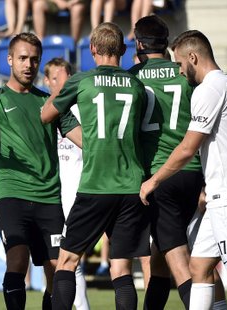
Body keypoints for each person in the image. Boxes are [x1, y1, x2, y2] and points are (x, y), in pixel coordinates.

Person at [139, 30, 227, 310]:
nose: (179, 71)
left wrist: (153, 181)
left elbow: (187, 149)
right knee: (199, 266)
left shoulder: (209, 89)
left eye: (180, 64)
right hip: (226, 192)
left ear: (193, 57)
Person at [0, 33, 82, 310]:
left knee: (58, 269)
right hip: (12, 194)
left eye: (34, 59)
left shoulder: (49, 102)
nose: (29, 65)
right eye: (23, 58)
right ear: (9, 59)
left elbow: (81, 137)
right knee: (17, 259)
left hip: (49, 198)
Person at [42, 22, 150, 310]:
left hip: (96, 184)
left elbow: (47, 115)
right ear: (123, 50)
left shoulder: (82, 81)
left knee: (67, 261)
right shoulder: (137, 86)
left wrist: (60, 99)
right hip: (131, 185)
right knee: (122, 269)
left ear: (92, 49)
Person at [127, 15, 201, 309]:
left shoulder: (131, 77)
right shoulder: (185, 73)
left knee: (179, 262)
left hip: (159, 175)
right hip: (192, 171)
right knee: (158, 260)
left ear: (138, 43)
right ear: (167, 43)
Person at [43, 57, 90, 310]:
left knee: (70, 259)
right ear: (46, 81)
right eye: (56, 80)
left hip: (76, 195)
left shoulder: (81, 110)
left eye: (66, 79)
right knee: (51, 262)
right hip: (48, 197)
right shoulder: (43, 111)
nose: (62, 85)